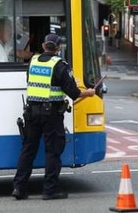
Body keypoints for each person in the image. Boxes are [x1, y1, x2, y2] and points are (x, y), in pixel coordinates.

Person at [12, 34, 96, 200]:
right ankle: (50, 190)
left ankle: (19, 188)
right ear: (58, 48)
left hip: (31, 113)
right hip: (51, 115)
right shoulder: (60, 65)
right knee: (53, 151)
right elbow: (74, 93)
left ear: (44, 45)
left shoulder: (33, 62)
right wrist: (89, 93)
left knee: (28, 150)